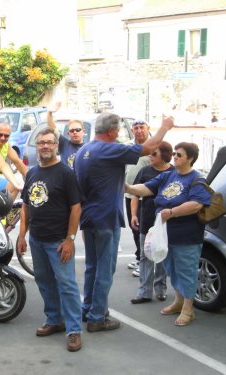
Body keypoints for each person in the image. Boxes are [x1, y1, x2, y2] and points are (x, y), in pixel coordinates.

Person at [74, 112, 174, 332]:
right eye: (117, 131)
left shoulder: (84, 150)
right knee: (105, 269)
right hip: (106, 217)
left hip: (89, 216)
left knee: (92, 266)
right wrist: (165, 127)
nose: (118, 134)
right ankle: (97, 317)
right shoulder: (110, 149)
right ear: (111, 132)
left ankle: (88, 308)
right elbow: (148, 148)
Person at [125, 142, 212, 327]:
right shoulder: (168, 175)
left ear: (190, 158)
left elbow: (196, 204)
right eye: (174, 154)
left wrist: (171, 213)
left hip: (186, 236)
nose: (175, 157)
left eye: (179, 155)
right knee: (171, 268)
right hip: (165, 235)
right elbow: (147, 188)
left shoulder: (197, 179)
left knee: (186, 271)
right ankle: (179, 301)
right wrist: (128, 188)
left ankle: (188, 308)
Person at [17, 128, 83, 352]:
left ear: (56, 146)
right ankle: (54, 320)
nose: (45, 146)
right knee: (44, 281)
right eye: (41, 143)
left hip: (58, 242)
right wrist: (22, 234)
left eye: (49, 143)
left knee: (67, 285)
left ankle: (74, 330)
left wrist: (70, 239)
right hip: (37, 240)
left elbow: (76, 208)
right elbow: (26, 205)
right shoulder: (32, 172)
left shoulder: (65, 173)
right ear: (37, 147)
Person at [129, 141, 173, 304]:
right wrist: (134, 214)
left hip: (164, 221)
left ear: (165, 155)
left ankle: (160, 289)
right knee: (145, 255)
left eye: (154, 153)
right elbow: (135, 193)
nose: (150, 156)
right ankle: (144, 292)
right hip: (146, 218)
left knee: (161, 254)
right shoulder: (145, 171)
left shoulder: (174, 172)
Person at [124, 120, 151, 276]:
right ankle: (138, 255)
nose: (139, 130)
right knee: (133, 225)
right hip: (130, 193)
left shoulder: (153, 147)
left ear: (148, 129)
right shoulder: (128, 146)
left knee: (144, 228)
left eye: (142, 127)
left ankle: (146, 261)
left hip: (146, 194)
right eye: (136, 128)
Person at [46, 101, 85, 169]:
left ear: (83, 131)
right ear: (68, 133)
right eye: (72, 130)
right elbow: (52, 128)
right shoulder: (64, 144)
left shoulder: (88, 148)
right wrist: (50, 113)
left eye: (78, 130)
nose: (75, 132)